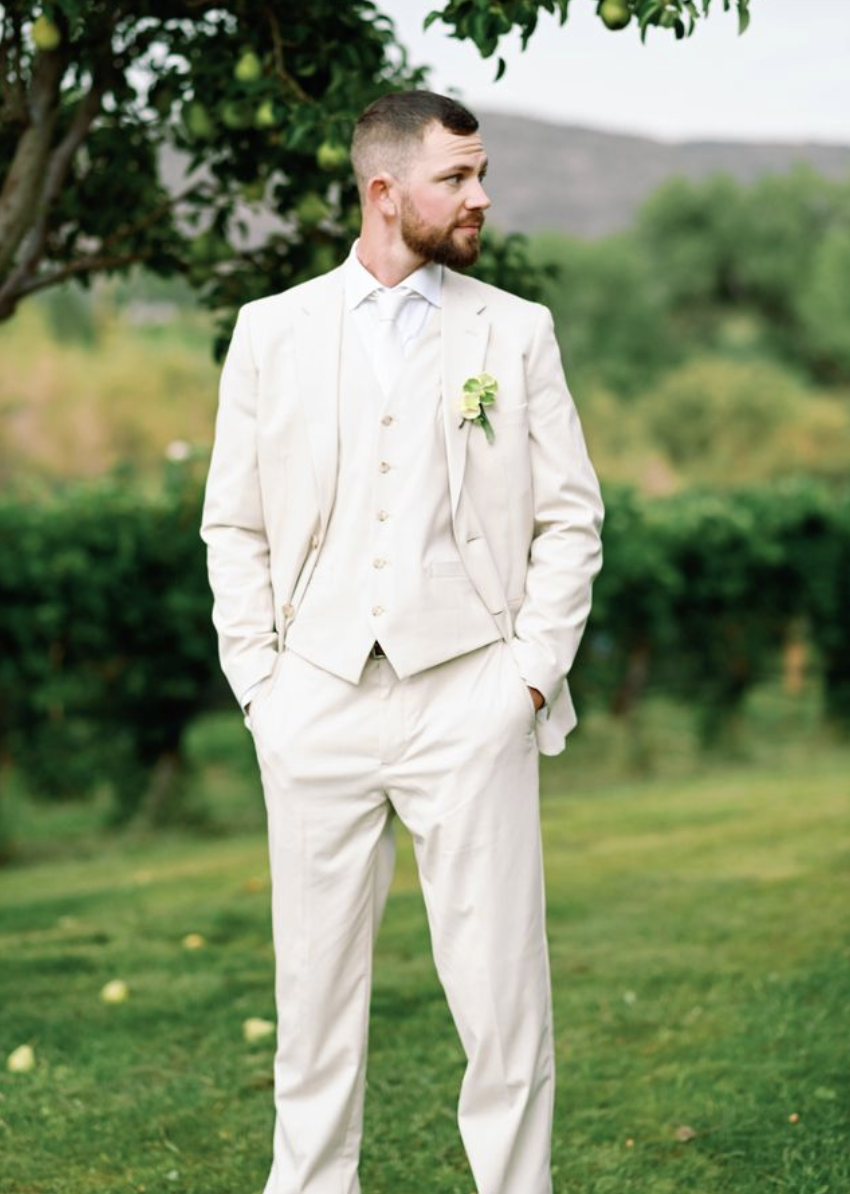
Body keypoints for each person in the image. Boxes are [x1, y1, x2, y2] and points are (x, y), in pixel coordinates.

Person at [201, 89, 603, 1194]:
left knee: (501, 991)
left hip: (469, 694)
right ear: (385, 192)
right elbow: (233, 524)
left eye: (482, 175)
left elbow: (570, 517)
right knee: (313, 996)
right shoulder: (271, 331)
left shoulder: (514, 331)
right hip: (314, 700)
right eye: (456, 178)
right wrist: (262, 689)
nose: (481, 197)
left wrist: (525, 679)